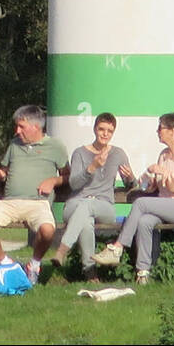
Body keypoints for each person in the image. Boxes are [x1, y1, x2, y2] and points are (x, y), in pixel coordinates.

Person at [92, 113, 174, 285]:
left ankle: (117, 248)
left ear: (172, 131)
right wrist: (151, 181)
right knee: (145, 221)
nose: (157, 131)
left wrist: (164, 173)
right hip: (168, 205)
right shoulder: (164, 155)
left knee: (141, 203)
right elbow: (162, 186)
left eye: (161, 127)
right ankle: (143, 273)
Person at [0, 105, 69, 285]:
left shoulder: (55, 146)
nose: (17, 131)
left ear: (36, 127)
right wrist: (1, 175)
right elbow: (6, 171)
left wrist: (53, 181)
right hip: (8, 203)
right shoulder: (14, 145)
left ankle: (34, 265)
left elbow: (67, 176)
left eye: (21, 127)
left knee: (48, 231)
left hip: (38, 203)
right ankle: (7, 264)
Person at [53, 113, 134, 279]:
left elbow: (131, 186)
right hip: (76, 204)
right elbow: (74, 184)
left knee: (88, 206)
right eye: (101, 129)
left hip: (104, 206)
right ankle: (90, 272)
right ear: (95, 129)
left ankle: (62, 250)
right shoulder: (80, 153)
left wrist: (131, 178)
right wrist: (92, 167)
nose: (105, 134)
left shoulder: (118, 154)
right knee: (86, 220)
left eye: (109, 131)